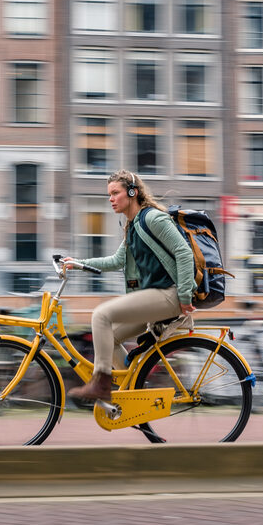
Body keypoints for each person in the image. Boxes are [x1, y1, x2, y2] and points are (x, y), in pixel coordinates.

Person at [63, 170, 196, 402]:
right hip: (154, 296)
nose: (111, 199)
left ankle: (100, 384)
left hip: (170, 295)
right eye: (109, 195)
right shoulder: (133, 227)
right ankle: (134, 387)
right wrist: (78, 264)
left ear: (133, 193)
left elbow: (183, 252)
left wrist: (185, 295)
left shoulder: (153, 218)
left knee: (101, 315)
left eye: (115, 193)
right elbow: (116, 261)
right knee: (108, 337)